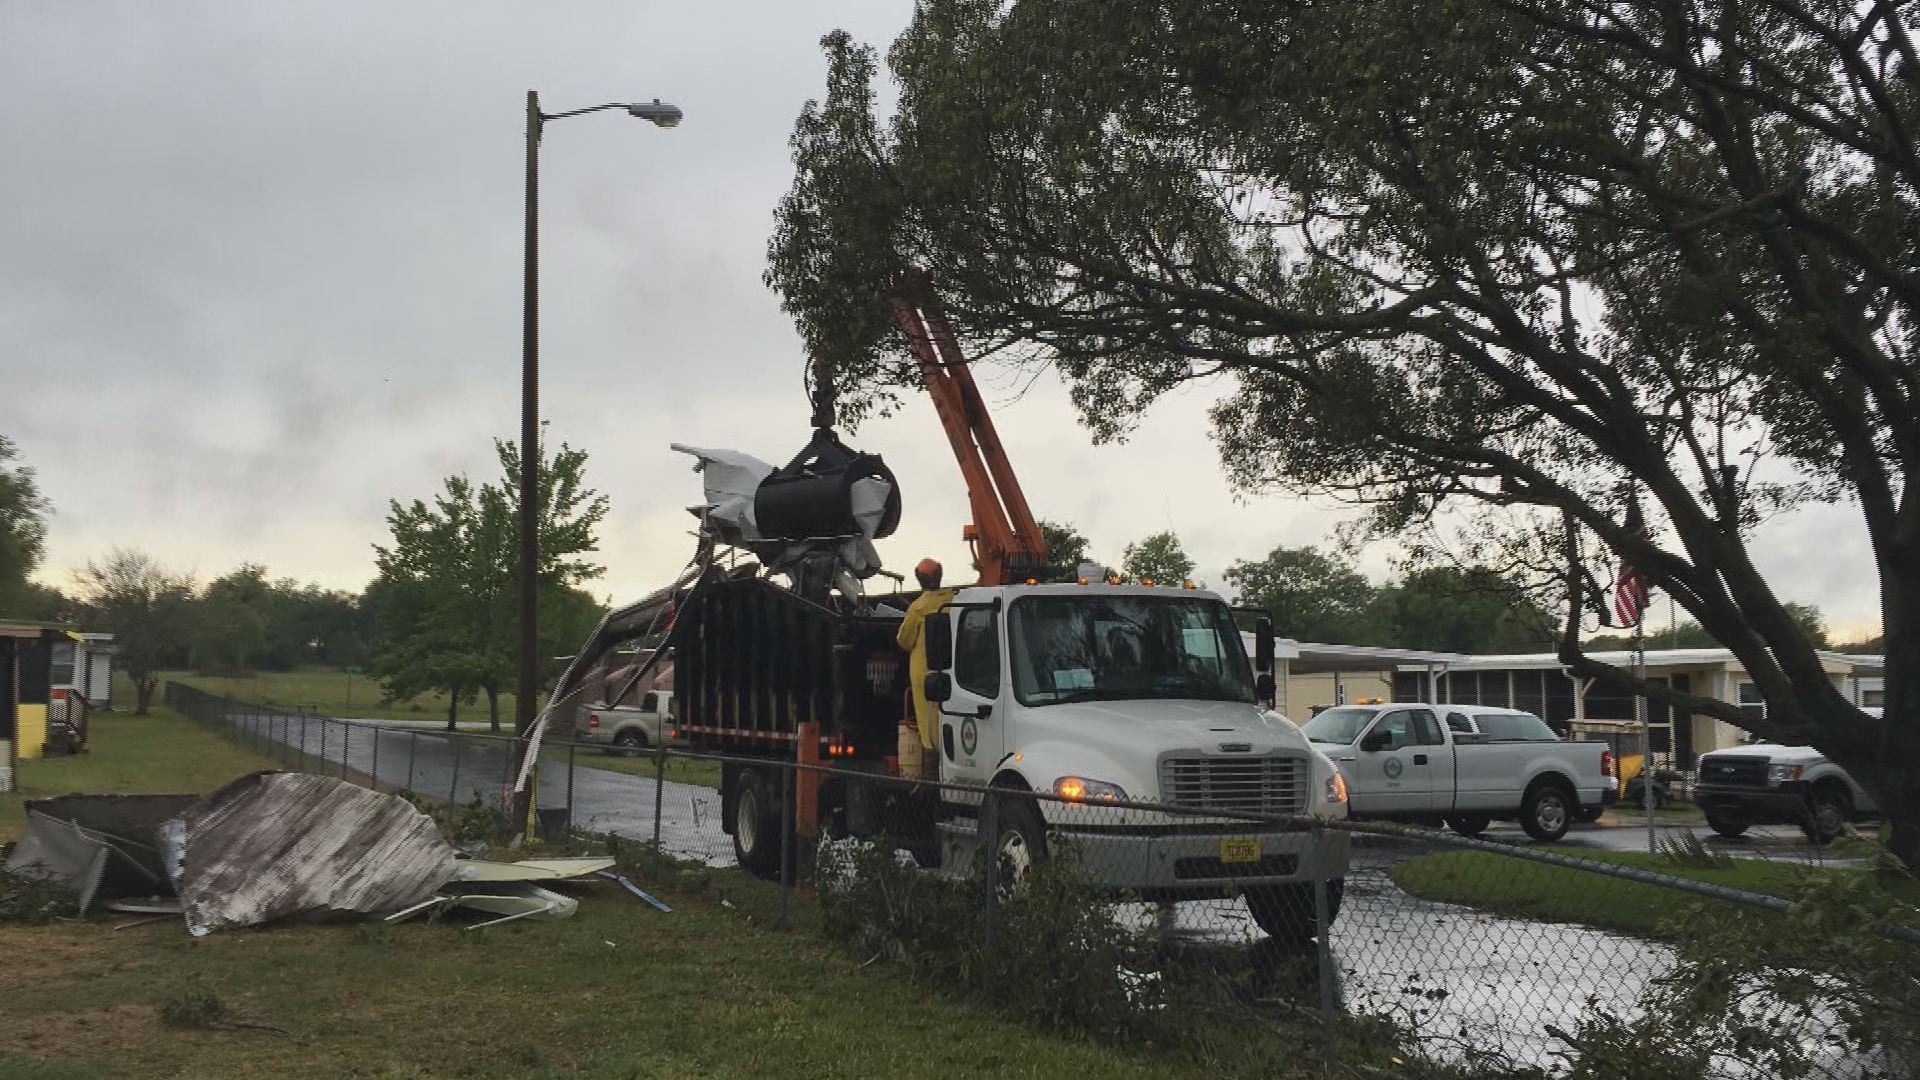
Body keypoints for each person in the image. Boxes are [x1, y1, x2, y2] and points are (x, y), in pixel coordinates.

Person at [896, 558, 956, 769]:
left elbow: (904, 641)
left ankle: (931, 764)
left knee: (928, 725)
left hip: (926, 678)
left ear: (920, 580)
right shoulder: (953, 600)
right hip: (954, 675)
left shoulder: (918, 608)